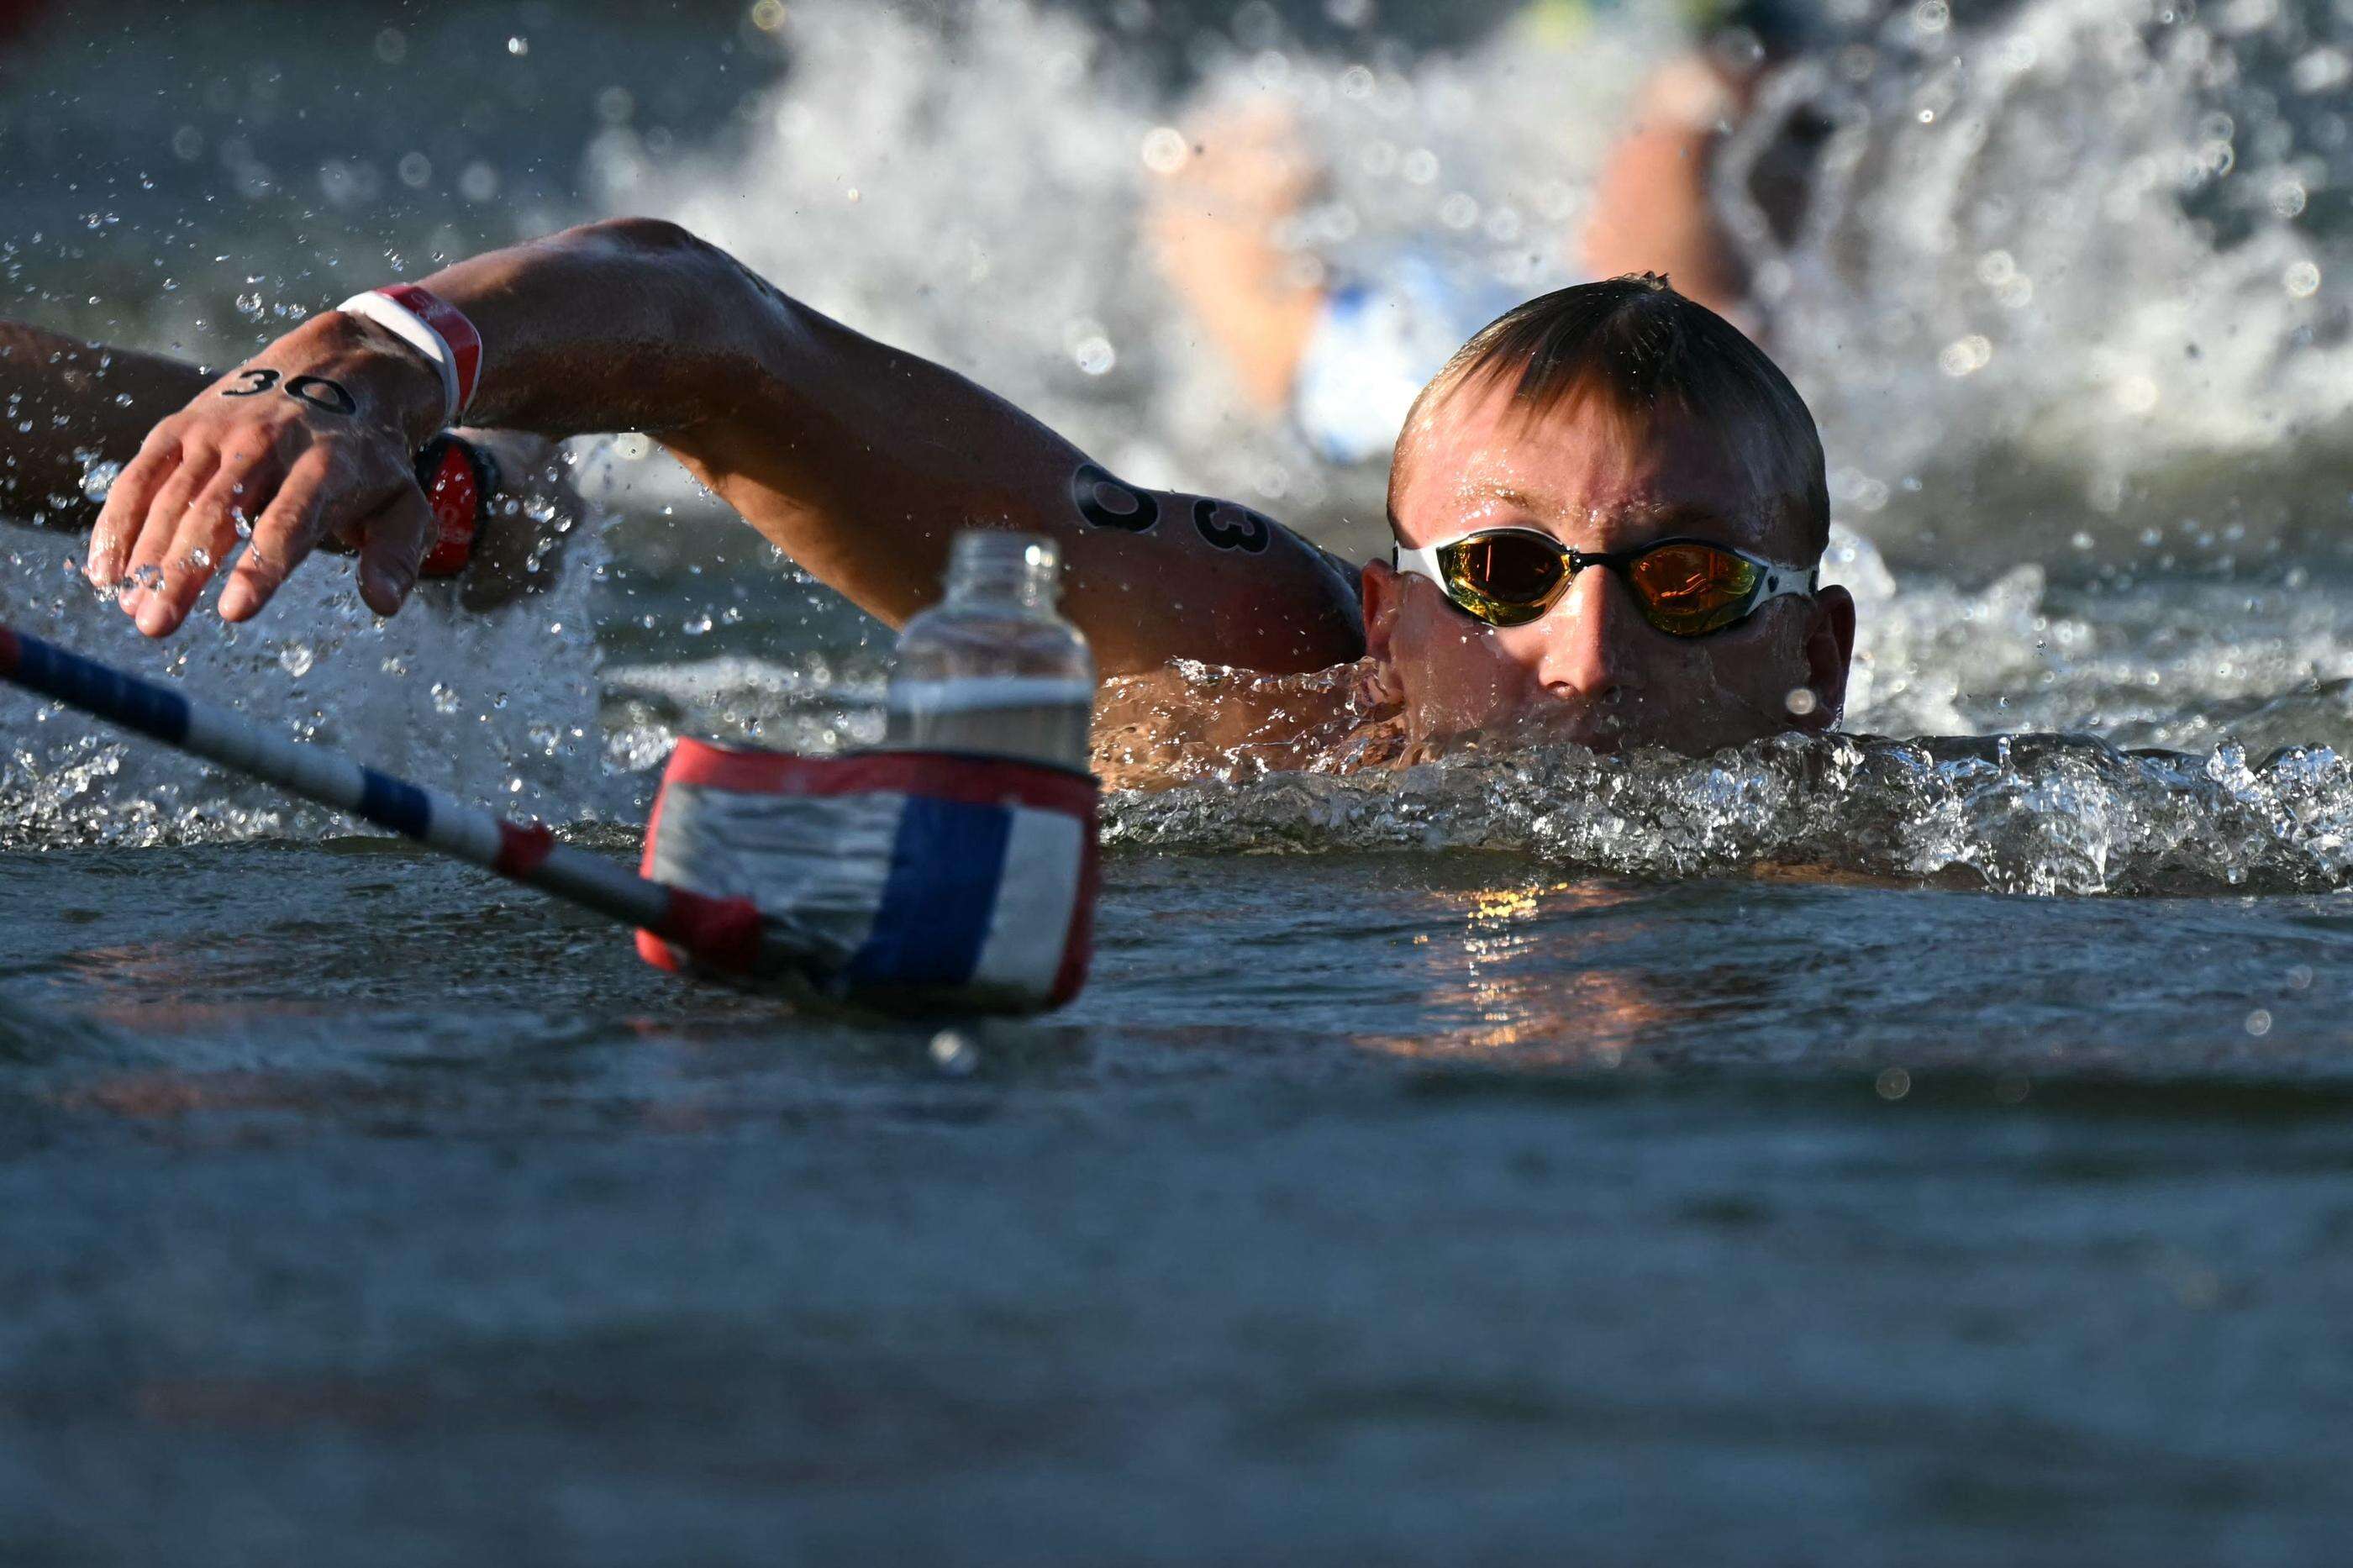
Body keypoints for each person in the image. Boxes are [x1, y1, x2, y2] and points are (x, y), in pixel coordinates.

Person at [3, 217, 1852, 786]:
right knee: (416, 503)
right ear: (1385, 617)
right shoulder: (1245, 664)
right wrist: (366, 362)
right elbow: (710, 333)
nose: (1580, 648)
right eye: (1505, 573)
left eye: (1686, 581)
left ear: (1818, 661)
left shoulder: (1926, 832)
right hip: (426, 473)